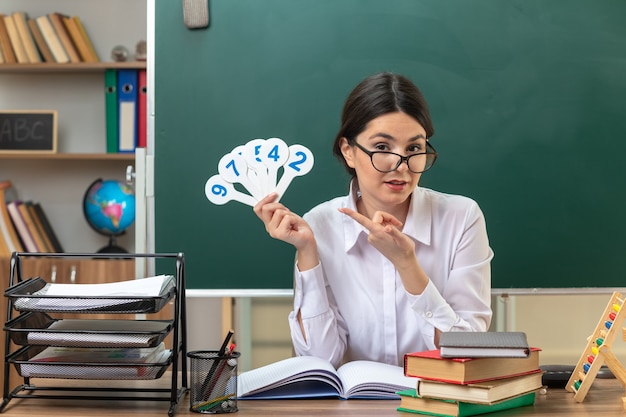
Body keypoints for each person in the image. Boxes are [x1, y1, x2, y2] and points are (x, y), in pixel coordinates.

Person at [254, 72, 493, 368]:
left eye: (414, 149)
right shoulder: (320, 225)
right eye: (382, 148)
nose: (399, 165)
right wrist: (307, 255)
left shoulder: (461, 217)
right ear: (348, 151)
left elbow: (467, 352)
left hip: (435, 405)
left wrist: (408, 266)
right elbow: (319, 361)